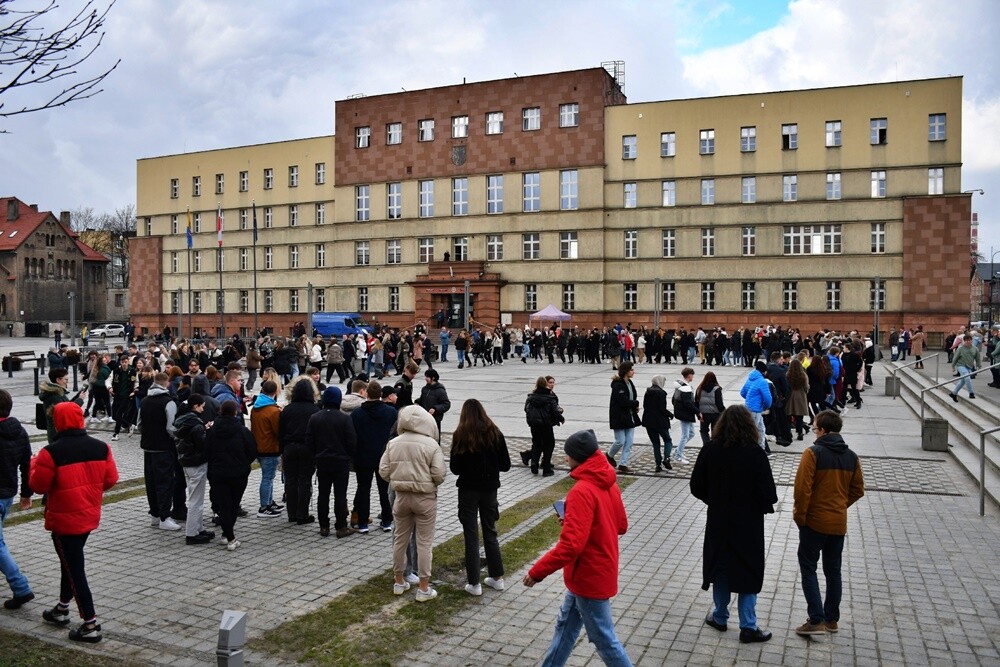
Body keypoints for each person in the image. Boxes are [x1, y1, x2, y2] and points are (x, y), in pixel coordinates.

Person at [523, 429, 631, 666]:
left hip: (589, 575)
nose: (565, 458)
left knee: (604, 639)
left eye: (568, 454)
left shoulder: (582, 490)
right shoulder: (608, 482)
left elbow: (571, 545)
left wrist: (537, 571)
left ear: (579, 457)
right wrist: (576, 519)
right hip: (593, 570)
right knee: (565, 626)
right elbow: (620, 525)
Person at [30, 402, 118, 643]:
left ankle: (90, 625)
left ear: (58, 422)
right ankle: (61, 608)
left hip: (64, 519)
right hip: (88, 515)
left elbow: (38, 485)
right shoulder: (101, 447)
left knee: (75, 569)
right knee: (69, 563)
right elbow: (110, 480)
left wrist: (34, 463)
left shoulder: (51, 452)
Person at [690, 405, 777, 644]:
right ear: (750, 426)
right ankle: (748, 626)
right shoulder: (755, 453)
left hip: (719, 519)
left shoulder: (710, 450)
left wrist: (714, 499)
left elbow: (696, 485)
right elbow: (769, 493)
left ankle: (719, 616)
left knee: (721, 565)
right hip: (748, 523)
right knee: (748, 568)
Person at [793, 410, 865, 636]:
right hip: (837, 523)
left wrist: (800, 516)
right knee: (833, 570)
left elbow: (802, 490)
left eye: (815, 429)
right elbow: (858, 490)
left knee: (808, 567)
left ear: (823, 430)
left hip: (814, 521)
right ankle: (831, 619)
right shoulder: (852, 457)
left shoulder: (812, 453)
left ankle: (816, 620)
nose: (814, 433)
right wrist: (840, 506)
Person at [379, 405, 446, 602]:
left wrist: (398, 480)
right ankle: (423, 587)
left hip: (401, 497)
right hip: (424, 498)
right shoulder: (431, 444)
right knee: (424, 542)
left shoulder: (393, 443)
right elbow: (439, 474)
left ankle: (399, 581)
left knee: (400, 539)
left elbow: (383, 470)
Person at [450, 399, 511, 596]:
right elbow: (506, 464)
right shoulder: (495, 433)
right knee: (490, 531)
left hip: (468, 489)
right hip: (490, 489)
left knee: (471, 535)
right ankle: (497, 577)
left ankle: (474, 583)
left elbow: (455, 468)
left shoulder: (461, 434)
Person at [205, 401, 257, 551]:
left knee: (224, 505)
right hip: (238, 473)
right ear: (235, 412)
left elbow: (206, 451)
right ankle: (229, 537)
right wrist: (244, 463)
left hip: (218, 473)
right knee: (234, 504)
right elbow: (252, 451)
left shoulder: (212, 431)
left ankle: (227, 534)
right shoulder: (242, 431)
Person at [307, 387, 358, 538]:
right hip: (340, 461)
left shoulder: (315, 418)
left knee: (323, 494)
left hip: (322, 460)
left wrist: (315, 456)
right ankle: (341, 526)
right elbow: (352, 441)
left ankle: (324, 526)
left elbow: (309, 441)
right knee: (340, 494)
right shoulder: (344, 418)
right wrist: (348, 455)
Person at [0, 389, 34, 610]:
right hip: (7, 494)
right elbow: (27, 465)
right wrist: (26, 493)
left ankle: (21, 587)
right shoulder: (19, 431)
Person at [351, 381, 398, 533]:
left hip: (363, 456)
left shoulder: (357, 414)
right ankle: (387, 521)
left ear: (367, 394)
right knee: (384, 490)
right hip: (384, 456)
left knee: (363, 489)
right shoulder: (391, 412)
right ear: (380, 395)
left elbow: (353, 436)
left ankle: (363, 523)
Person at [139, 373, 182, 530]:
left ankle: (155, 515)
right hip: (164, 448)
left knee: (150, 482)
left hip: (147, 447)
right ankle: (165, 516)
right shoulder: (168, 402)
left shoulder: (144, 401)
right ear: (167, 384)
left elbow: (139, 424)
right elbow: (171, 428)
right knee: (165, 482)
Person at [172, 394, 216, 545]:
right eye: (202, 406)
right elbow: (202, 444)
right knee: (196, 500)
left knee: (195, 497)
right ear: (195, 406)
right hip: (197, 463)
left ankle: (199, 528)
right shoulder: (196, 424)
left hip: (186, 462)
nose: (203, 409)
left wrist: (204, 428)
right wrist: (207, 432)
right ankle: (191, 533)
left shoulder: (183, 421)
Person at [279, 377, 321, 524]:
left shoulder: (287, 410)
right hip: (307, 448)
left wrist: (282, 450)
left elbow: (281, 432)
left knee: (290, 480)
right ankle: (302, 514)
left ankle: (292, 513)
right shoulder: (315, 410)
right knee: (304, 480)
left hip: (290, 447)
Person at [522, 376, 565, 476]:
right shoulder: (549, 397)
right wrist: (561, 418)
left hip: (534, 425)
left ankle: (534, 463)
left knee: (537, 443)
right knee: (549, 444)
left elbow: (526, 409)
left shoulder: (530, 397)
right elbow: (555, 411)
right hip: (546, 425)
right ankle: (546, 468)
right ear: (545, 384)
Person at [606, 362, 640, 475]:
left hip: (629, 416)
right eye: (631, 370)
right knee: (620, 441)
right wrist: (635, 403)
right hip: (619, 417)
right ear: (626, 371)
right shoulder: (618, 385)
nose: (633, 372)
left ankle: (623, 464)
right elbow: (623, 402)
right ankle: (608, 456)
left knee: (629, 442)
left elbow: (631, 397)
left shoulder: (629, 382)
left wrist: (634, 407)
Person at [38, 368, 85, 445]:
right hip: (57, 433)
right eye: (66, 379)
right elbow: (67, 411)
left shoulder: (56, 391)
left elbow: (67, 404)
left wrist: (78, 396)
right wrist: (80, 400)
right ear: (58, 380)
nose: (67, 381)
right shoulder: (54, 395)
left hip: (59, 432)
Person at [641, 375, 673, 473]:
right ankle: (667, 458)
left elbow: (645, 406)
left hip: (649, 421)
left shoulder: (648, 391)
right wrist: (670, 414)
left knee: (656, 443)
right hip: (660, 422)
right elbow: (662, 409)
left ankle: (658, 465)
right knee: (667, 440)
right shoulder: (661, 393)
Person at [739, 361, 772, 453]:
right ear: (764, 371)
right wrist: (766, 406)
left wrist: (750, 399)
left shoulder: (750, 378)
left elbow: (742, 392)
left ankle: (761, 449)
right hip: (756, 409)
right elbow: (768, 398)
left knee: (761, 429)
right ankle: (750, 451)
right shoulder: (762, 381)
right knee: (753, 431)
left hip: (748, 407)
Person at [671, 368, 698, 465]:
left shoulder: (680, 386)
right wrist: (698, 412)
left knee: (691, 433)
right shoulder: (685, 388)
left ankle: (677, 451)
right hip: (685, 414)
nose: (693, 376)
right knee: (685, 435)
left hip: (684, 413)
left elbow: (673, 399)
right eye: (692, 374)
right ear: (689, 375)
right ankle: (677, 456)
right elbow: (688, 403)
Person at [415, 369, 450, 440]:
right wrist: (417, 402)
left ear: (433, 378)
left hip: (435, 420)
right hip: (424, 419)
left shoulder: (440, 391)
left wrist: (435, 409)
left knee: (434, 439)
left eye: (427, 377)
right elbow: (423, 399)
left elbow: (446, 404)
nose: (425, 379)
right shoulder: (425, 389)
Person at [695, 371, 725, 447]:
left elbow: (696, 403)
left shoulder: (699, 389)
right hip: (715, 414)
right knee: (715, 432)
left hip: (703, 414)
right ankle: (714, 447)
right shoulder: (717, 389)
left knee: (704, 431)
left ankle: (706, 446)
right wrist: (724, 412)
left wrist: (698, 415)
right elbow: (719, 404)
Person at [949, 334, 982, 401]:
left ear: (971, 340)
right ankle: (971, 393)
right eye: (966, 340)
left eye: (969, 340)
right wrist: (953, 366)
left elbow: (978, 358)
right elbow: (955, 358)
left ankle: (954, 393)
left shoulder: (975, 348)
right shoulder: (960, 349)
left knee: (963, 381)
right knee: (967, 377)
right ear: (964, 341)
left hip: (969, 366)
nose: (968, 342)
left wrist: (979, 365)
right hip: (961, 365)